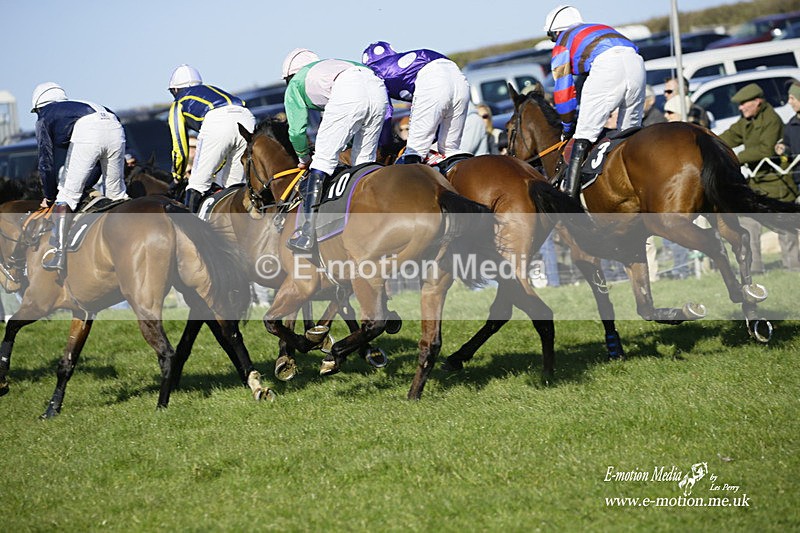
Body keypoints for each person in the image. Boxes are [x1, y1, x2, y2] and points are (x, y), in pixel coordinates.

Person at [281, 48, 388, 253]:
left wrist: (303, 157)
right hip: (376, 87)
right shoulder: (330, 67)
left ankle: (307, 234)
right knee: (363, 163)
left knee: (322, 161)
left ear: (290, 76)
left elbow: (296, 132)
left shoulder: (296, 83)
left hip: (348, 90)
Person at [543, 5, 645, 199]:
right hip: (636, 63)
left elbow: (564, 92)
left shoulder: (562, 41)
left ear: (555, 32)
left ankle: (570, 198)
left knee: (583, 134)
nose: (553, 41)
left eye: (551, 37)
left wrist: (567, 127)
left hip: (607, 66)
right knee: (631, 131)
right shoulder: (600, 28)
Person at [31, 82, 128, 273]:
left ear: (38, 107)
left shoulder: (44, 115)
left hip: (89, 130)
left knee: (66, 196)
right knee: (117, 195)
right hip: (115, 125)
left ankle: (58, 253)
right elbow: (97, 163)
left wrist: (50, 197)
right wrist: (86, 185)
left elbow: (46, 163)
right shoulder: (75, 107)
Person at [719, 82, 800, 273]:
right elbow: (730, 136)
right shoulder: (746, 121)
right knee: (748, 222)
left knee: (784, 226)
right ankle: (754, 268)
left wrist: (736, 158)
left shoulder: (772, 120)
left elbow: (765, 150)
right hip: (756, 183)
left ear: (757, 102)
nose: (741, 108)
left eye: (744, 104)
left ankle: (793, 267)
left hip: (777, 182)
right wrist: (710, 142)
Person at [362, 41, 470, 164]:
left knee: (414, 151)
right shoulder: (397, 61)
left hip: (433, 79)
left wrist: (386, 144)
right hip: (458, 75)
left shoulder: (374, 72)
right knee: (449, 149)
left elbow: (385, 113)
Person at [167, 64, 255, 212]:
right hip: (247, 117)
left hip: (218, 121)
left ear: (175, 90)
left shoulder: (177, 103)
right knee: (233, 186)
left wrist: (178, 176)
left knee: (197, 184)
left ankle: (188, 226)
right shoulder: (211, 90)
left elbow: (180, 147)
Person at [775, 81, 800, 186]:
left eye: (792, 98)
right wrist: (784, 150)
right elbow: (789, 151)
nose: (789, 102)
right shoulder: (791, 125)